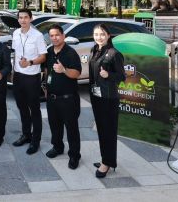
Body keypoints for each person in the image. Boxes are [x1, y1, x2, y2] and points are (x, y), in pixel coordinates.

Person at [89, 23, 125, 178]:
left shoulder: (114, 54)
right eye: (96, 34)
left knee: (108, 132)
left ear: (108, 36)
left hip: (109, 98)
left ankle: (107, 163)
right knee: (102, 130)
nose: (99, 37)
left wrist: (108, 75)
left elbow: (122, 77)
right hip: (96, 96)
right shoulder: (94, 50)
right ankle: (105, 159)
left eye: (102, 34)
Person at [45, 24, 82, 169]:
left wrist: (63, 70)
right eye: (51, 35)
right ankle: (57, 147)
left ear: (63, 36)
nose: (54, 38)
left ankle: (74, 155)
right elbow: (47, 70)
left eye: (57, 35)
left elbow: (77, 73)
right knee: (55, 126)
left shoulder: (70, 53)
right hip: (52, 98)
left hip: (68, 99)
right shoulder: (49, 51)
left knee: (72, 129)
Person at [11, 9, 47, 155]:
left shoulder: (38, 36)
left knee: (34, 110)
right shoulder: (15, 33)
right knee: (22, 108)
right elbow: (16, 54)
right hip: (18, 76)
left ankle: (35, 141)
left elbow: (43, 56)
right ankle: (26, 135)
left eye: (26, 17)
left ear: (31, 19)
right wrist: (13, 72)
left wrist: (30, 62)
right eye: (20, 17)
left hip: (32, 77)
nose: (23, 20)